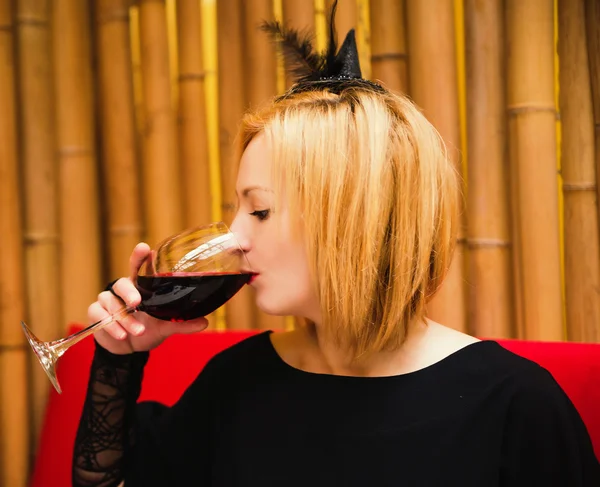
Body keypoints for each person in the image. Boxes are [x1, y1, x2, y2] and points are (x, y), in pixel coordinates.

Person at [72, 3, 600, 486]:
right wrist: (119, 357)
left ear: (352, 218)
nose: (234, 235)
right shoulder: (237, 381)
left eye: (260, 209)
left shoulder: (516, 406)